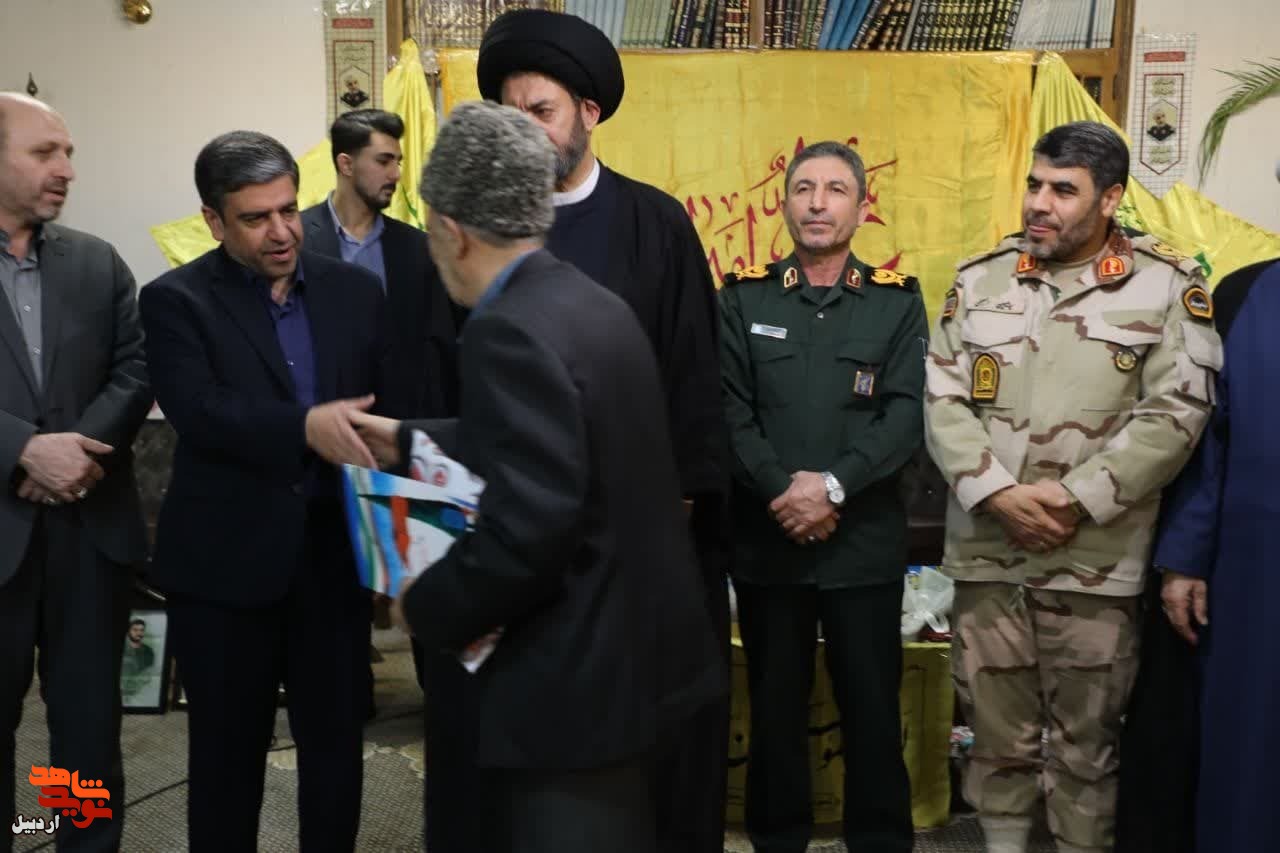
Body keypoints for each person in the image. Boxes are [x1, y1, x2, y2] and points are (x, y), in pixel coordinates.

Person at [349, 100, 724, 853]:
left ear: (451, 229)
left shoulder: (505, 329)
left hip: (574, 686)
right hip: (640, 664)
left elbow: (528, 535)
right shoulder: (589, 302)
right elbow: (569, 442)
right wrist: (411, 436)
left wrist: (426, 605)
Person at [923, 120, 1222, 853]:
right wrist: (997, 494)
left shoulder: (1165, 285)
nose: (1039, 203)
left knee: (1087, 749)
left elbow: (1177, 413)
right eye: (1034, 184)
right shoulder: (982, 277)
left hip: (1095, 561)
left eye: (1063, 190)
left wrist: (1074, 499)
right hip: (989, 554)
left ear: (1109, 198)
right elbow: (942, 400)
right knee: (996, 740)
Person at [474, 12, 732, 852]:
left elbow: (693, 380)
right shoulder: (479, 229)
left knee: (654, 757)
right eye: (509, 114)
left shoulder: (655, 224)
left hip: (638, 545)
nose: (524, 131)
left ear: (589, 112)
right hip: (518, 540)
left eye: (540, 111)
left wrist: (670, 525)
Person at [138, 130, 389, 852]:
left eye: (288, 209)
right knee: (226, 758)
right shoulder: (175, 300)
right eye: (255, 218)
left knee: (336, 750)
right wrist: (307, 426)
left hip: (332, 560)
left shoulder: (354, 291)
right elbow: (200, 410)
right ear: (214, 221)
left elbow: (384, 406)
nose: (281, 232)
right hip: (223, 567)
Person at [719, 140, 925, 853]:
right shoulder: (741, 297)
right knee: (774, 709)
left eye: (836, 190)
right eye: (804, 188)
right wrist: (785, 493)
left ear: (863, 208)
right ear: (783, 205)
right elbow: (728, 410)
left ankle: (880, 842)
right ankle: (777, 839)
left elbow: (905, 415)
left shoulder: (897, 304)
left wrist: (830, 487)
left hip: (861, 545)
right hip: (770, 542)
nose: (817, 203)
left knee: (872, 710)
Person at [0, 92, 151, 852]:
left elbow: (136, 368)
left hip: (89, 536)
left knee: (88, 734)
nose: (66, 169)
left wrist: (76, 451)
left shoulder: (97, 261)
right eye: (44, 152)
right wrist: (22, 449)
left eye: (68, 153)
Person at [300, 108, 459, 710]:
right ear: (346, 163)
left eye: (398, 160)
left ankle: (440, 705)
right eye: (384, 160)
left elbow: (440, 352)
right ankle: (348, 697)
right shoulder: (298, 239)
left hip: (403, 445)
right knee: (334, 595)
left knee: (424, 584)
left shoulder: (417, 250)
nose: (396, 172)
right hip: (323, 447)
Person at [1145, 255, 1279, 853]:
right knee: (1251, 740)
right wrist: (1185, 558)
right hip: (1257, 572)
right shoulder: (1244, 293)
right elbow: (1207, 441)